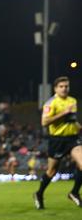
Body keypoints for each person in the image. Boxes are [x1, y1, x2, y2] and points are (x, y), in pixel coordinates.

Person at [34, 76, 82, 209]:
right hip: (57, 140)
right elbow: (44, 122)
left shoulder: (72, 100)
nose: (64, 89)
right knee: (52, 171)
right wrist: (63, 113)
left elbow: (72, 120)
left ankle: (74, 192)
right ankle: (39, 193)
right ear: (55, 88)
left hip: (73, 139)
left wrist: (79, 127)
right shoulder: (51, 103)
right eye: (61, 86)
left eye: (66, 86)